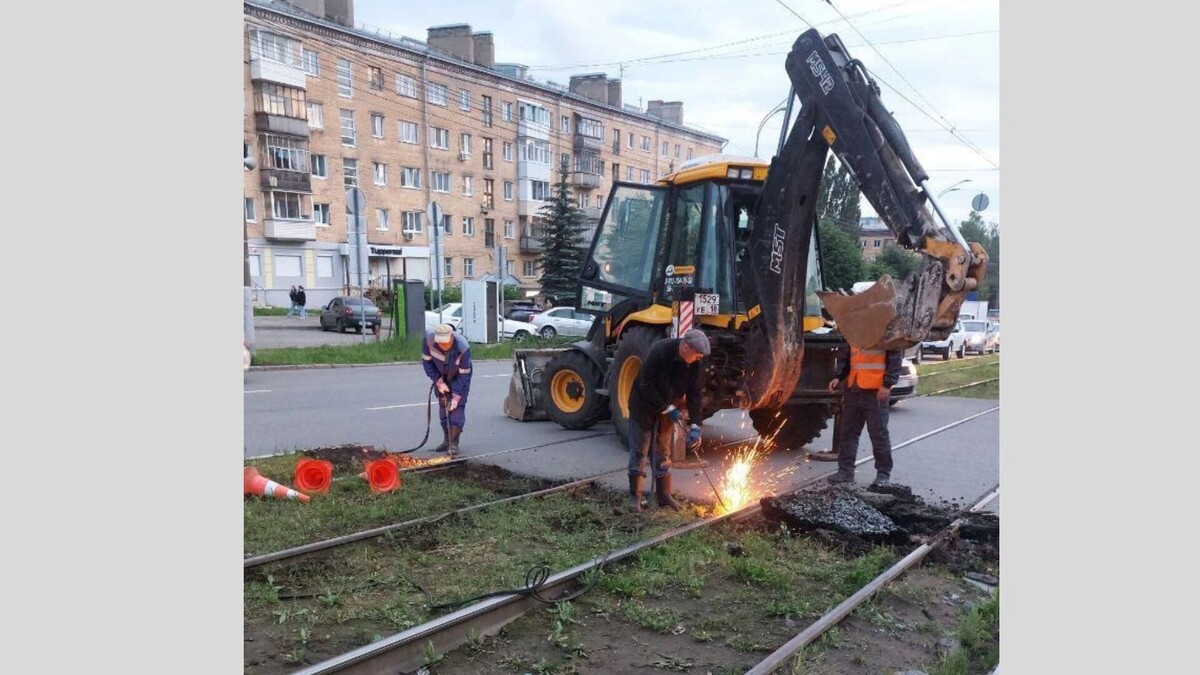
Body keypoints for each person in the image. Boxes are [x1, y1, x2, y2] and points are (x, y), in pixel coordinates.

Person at [626, 328, 710, 512]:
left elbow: (695, 394)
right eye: (696, 355)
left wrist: (696, 424)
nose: (699, 359)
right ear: (686, 347)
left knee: (663, 451)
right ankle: (635, 498)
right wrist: (665, 407)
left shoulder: (695, 363)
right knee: (640, 450)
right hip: (644, 405)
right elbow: (645, 384)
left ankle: (664, 496)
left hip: (668, 408)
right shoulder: (660, 352)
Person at [827, 343, 903, 487]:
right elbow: (847, 355)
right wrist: (839, 376)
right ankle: (845, 471)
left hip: (876, 391)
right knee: (848, 433)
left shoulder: (884, 332)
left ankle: (883, 474)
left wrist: (887, 384)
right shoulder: (854, 331)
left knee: (878, 434)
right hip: (853, 389)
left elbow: (895, 357)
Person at [421, 323, 473, 457]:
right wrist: (438, 381)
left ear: (451, 336)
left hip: (459, 376)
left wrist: (456, 396)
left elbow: (464, 374)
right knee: (444, 407)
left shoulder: (462, 346)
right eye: (440, 343)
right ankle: (446, 440)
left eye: (446, 343)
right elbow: (427, 363)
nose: (443, 346)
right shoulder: (428, 340)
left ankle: (454, 443)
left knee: (456, 408)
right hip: (441, 375)